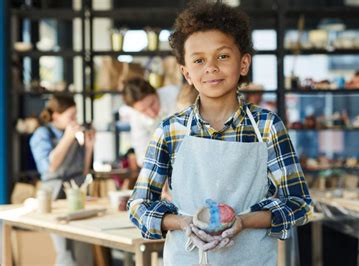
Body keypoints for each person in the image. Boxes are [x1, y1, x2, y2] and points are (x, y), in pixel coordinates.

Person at [128, 1, 313, 265]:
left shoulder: (267, 126)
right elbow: (139, 205)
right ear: (186, 73)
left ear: (244, 63)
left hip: (250, 259)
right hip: (187, 258)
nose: (211, 67)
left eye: (223, 56)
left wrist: (244, 221)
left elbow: (299, 203)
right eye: (199, 60)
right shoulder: (170, 131)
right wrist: (183, 222)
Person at [30, 95, 94, 266]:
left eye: (76, 116)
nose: (74, 120)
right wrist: (67, 138)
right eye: (70, 116)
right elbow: (49, 167)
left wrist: (89, 147)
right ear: (56, 116)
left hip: (76, 192)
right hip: (54, 195)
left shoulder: (74, 135)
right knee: (65, 250)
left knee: (83, 246)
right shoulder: (42, 134)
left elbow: (83, 170)